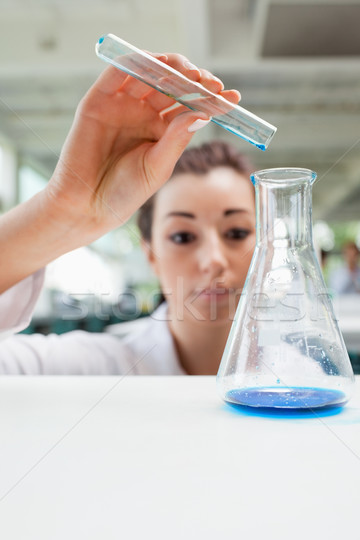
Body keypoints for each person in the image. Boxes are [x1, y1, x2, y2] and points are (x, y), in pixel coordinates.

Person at [0, 136, 256, 374]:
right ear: (151, 254)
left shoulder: (295, 368)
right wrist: (59, 208)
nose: (213, 260)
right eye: (182, 237)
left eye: (236, 233)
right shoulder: (96, 367)